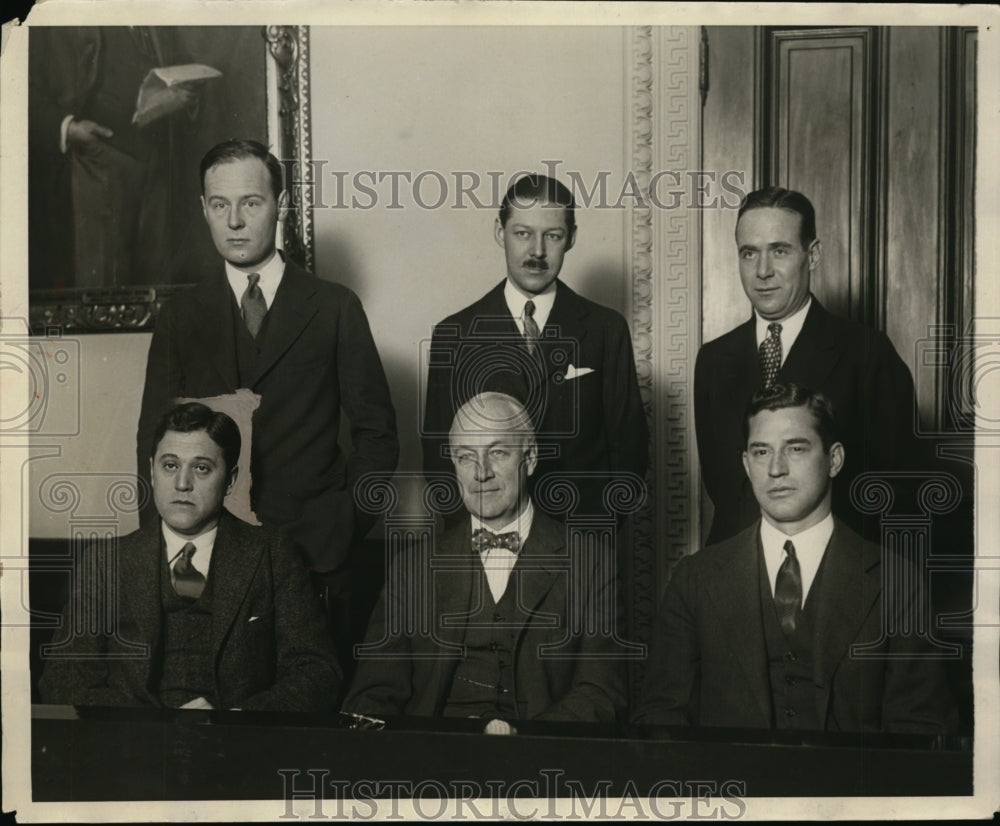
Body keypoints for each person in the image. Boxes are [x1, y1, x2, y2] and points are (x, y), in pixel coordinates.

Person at [136, 138, 399, 576]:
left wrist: (343, 524)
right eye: (220, 206)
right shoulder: (181, 316)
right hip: (207, 552)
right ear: (204, 208)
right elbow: (152, 436)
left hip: (314, 555)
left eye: (251, 203)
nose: (234, 221)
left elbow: (379, 435)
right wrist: (161, 546)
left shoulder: (335, 307)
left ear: (282, 204)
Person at [633, 384, 958, 733]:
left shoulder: (897, 581)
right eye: (761, 452)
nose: (776, 469)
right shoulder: (695, 579)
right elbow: (659, 720)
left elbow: (920, 735)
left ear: (834, 459)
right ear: (746, 464)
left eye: (796, 448)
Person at [344, 392, 628, 723]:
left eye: (497, 452)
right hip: (433, 759)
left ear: (531, 458)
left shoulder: (591, 562)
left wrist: (524, 742)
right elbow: (372, 695)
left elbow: (602, 692)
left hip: (540, 760)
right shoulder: (412, 568)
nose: (481, 472)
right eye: (466, 457)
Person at [40, 402, 341, 711]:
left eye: (201, 468)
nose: (182, 484)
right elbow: (62, 680)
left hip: (235, 745)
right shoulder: (106, 562)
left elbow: (318, 672)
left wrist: (235, 720)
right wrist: (155, 724)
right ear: (152, 472)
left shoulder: (272, 553)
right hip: (137, 745)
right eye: (170, 465)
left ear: (231, 479)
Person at [694, 186, 920, 544]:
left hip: (837, 576)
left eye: (779, 251)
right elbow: (722, 488)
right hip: (734, 576)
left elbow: (897, 493)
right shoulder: (713, 360)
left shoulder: (867, 353)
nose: (763, 271)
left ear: (811, 255)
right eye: (749, 253)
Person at [422, 174, 648, 523]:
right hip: (487, 546)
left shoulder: (606, 330)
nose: (537, 252)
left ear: (571, 238)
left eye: (552, 236)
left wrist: (598, 541)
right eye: (523, 233)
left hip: (580, 544)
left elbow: (629, 453)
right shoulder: (454, 333)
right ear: (500, 232)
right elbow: (439, 461)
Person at [28, 26, 197, 289]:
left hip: (158, 163)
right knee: (99, 288)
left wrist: (184, 96)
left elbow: (185, 71)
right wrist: (68, 128)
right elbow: (14, 86)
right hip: (93, 160)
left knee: (155, 284)